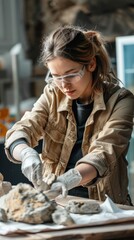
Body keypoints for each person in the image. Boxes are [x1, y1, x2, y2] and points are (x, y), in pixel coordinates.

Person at [4, 25, 134, 205]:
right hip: (56, 203)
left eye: (71, 74)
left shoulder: (121, 101)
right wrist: (26, 154)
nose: (64, 85)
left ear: (91, 64)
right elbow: (24, 128)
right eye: (56, 76)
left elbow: (104, 152)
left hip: (104, 206)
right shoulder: (52, 94)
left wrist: (67, 180)